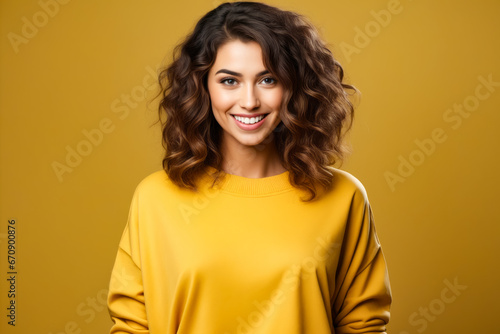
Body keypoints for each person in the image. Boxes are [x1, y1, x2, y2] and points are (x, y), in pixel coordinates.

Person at [107, 2, 392, 333]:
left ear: (293, 86)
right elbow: (131, 325)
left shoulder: (344, 197)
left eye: (268, 79)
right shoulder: (155, 199)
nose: (249, 101)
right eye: (229, 81)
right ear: (202, 86)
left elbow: (363, 324)